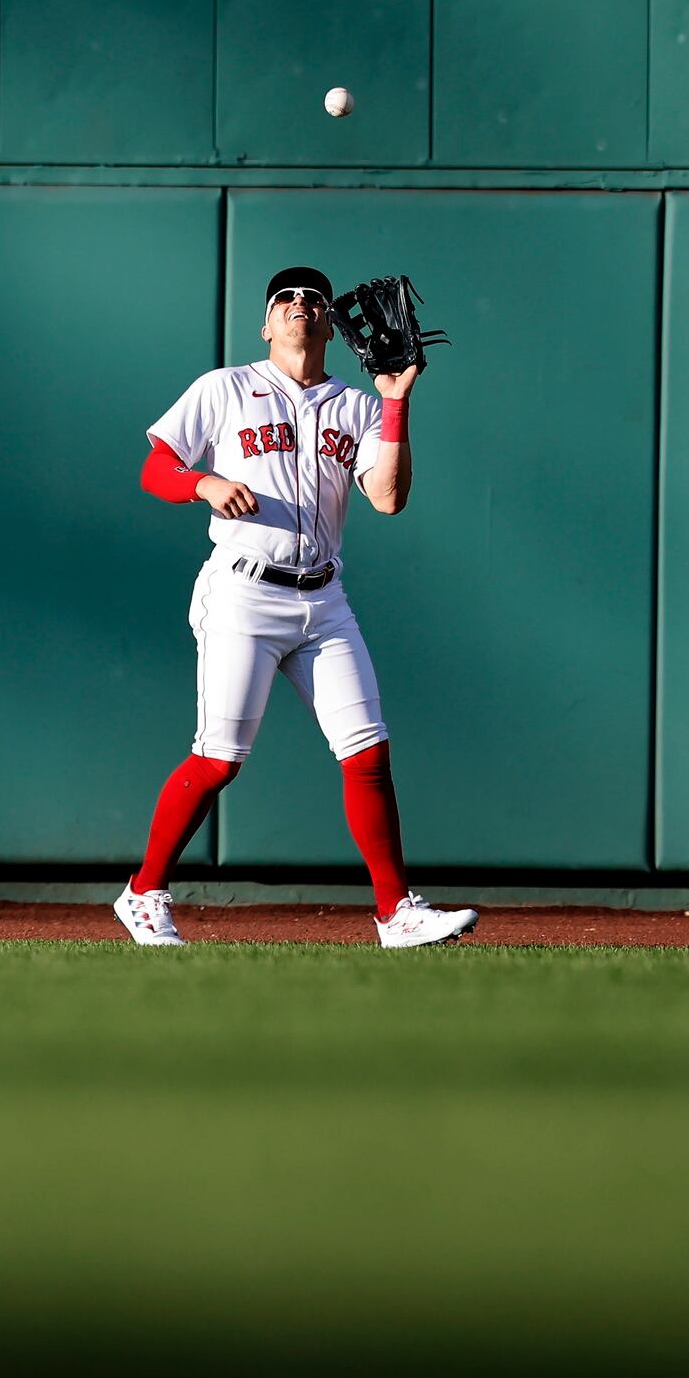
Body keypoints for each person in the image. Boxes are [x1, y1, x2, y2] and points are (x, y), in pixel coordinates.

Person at [115, 266, 478, 950]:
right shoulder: (226, 387)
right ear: (266, 323)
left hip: (324, 598)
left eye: (312, 297)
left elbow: (388, 497)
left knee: (367, 750)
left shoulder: (357, 405)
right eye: (285, 298)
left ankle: (395, 911)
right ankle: (143, 892)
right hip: (244, 592)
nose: (300, 305)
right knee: (219, 758)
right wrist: (203, 482)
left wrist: (396, 401)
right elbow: (154, 465)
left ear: (330, 325)